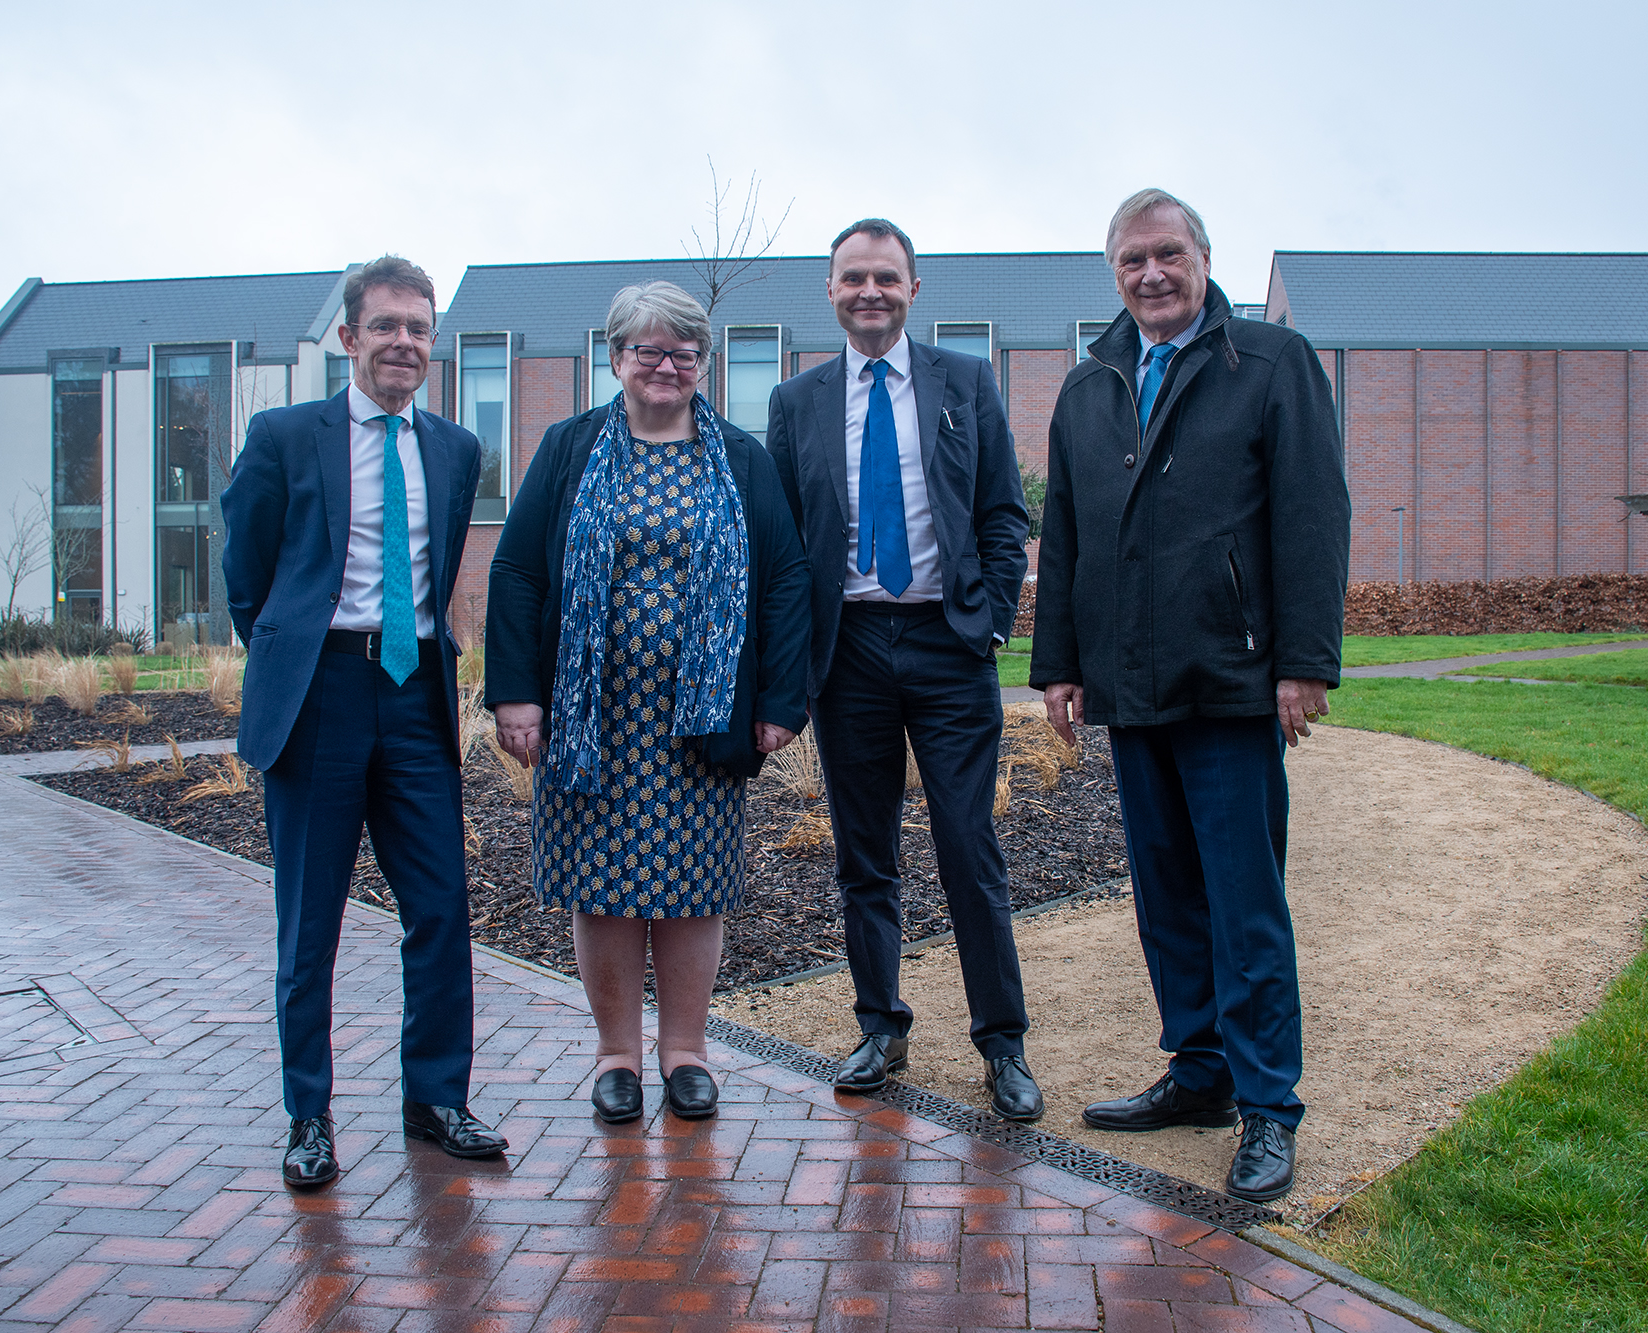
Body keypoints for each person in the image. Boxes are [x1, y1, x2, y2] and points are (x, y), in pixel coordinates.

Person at [1030, 189, 1350, 1202]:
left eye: (1167, 254)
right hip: (1131, 689)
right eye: (1131, 260)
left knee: (1242, 902)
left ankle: (1268, 1107)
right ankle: (1200, 1074)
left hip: (1229, 679)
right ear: (1112, 273)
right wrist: (1060, 662)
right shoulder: (1089, 386)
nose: (1150, 274)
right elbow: (1069, 536)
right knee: (1167, 897)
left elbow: (1309, 514)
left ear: (1203, 258)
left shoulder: (1267, 365)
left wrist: (1302, 661)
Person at [485, 281, 809, 1125]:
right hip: (594, 720)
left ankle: (687, 1052)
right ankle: (618, 1055)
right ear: (617, 356)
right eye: (649, 350)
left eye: (685, 352)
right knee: (605, 887)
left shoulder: (739, 457)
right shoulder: (568, 448)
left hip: (703, 721)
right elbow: (517, 571)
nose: (667, 366)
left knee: (695, 885)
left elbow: (785, 578)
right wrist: (515, 693)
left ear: (704, 362)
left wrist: (780, 700)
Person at [220, 255, 505, 1190]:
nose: (404, 343)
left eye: (419, 328)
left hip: (416, 695)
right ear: (350, 338)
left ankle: (436, 1097)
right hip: (319, 700)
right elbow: (249, 574)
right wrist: (292, 650)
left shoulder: (457, 451)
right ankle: (309, 1116)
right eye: (386, 326)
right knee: (309, 924)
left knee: (441, 908)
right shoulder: (285, 436)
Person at [765, 219, 1041, 1122]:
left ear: (914, 289)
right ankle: (881, 1025)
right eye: (854, 278)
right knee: (864, 855)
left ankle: (1003, 1043)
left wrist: (990, 622)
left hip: (948, 646)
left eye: (887, 276)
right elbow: (780, 545)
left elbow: (1005, 512)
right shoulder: (796, 402)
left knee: (970, 848)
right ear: (832, 291)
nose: (870, 291)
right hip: (847, 654)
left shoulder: (964, 380)